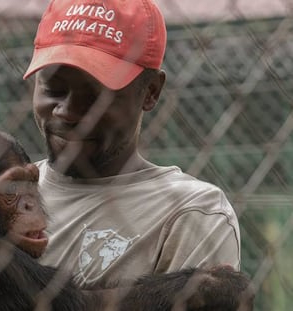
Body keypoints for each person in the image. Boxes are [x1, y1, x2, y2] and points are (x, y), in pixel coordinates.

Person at [22, 0, 241, 289]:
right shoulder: (4, 195)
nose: (68, 112)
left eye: (95, 96)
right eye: (54, 89)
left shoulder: (190, 212)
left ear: (150, 92)